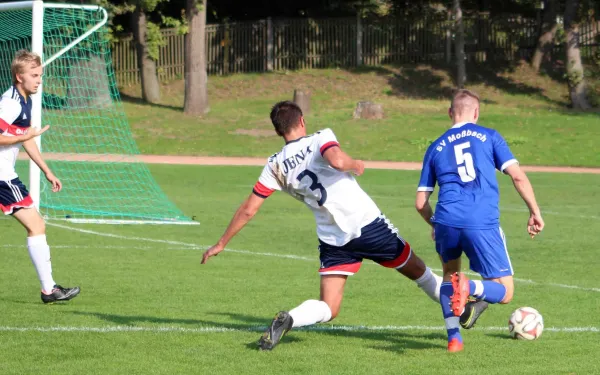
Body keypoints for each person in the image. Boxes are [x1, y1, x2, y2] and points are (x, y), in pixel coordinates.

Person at [202, 100, 444, 351]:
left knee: (329, 307)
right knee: (420, 272)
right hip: (365, 224)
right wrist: (355, 164)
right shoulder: (320, 138)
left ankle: (291, 318)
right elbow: (338, 160)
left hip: (333, 238)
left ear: (278, 131)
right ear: (302, 121)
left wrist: (221, 243)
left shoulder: (274, 165)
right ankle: (460, 309)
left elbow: (249, 209)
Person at [415, 89, 544, 352]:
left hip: (446, 221)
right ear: (476, 112)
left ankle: (454, 339)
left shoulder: (435, 146)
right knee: (506, 293)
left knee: (449, 276)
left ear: (450, 113)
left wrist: (434, 224)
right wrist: (534, 211)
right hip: (481, 221)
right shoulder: (489, 136)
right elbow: (517, 176)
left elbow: (420, 202)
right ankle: (470, 286)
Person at [0, 50, 80, 303]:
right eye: (33, 75)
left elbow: (27, 140)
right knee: (36, 226)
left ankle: (50, 289)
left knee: (37, 225)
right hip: (2, 177)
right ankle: (49, 290)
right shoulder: (10, 102)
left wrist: (47, 170)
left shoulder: (25, 100)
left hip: (5, 175)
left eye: (40, 75)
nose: (39, 80)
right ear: (18, 76)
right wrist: (24, 137)